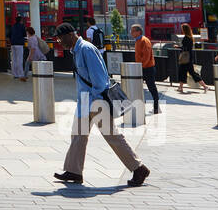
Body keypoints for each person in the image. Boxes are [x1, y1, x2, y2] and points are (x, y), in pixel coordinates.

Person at [53, 23, 150, 187]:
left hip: (95, 101)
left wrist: (95, 100)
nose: (59, 42)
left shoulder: (86, 49)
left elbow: (99, 78)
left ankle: (138, 168)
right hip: (85, 100)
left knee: (113, 136)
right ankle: (74, 171)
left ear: (70, 35)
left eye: (60, 38)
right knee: (77, 135)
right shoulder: (76, 51)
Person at [131, 24, 161, 113]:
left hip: (147, 68)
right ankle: (139, 106)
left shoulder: (144, 41)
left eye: (133, 31)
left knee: (151, 87)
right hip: (142, 67)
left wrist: (141, 67)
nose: (131, 33)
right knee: (139, 87)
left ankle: (156, 107)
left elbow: (146, 56)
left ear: (138, 32)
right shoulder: (138, 41)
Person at [174, 23, 208, 94]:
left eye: (182, 28)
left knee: (189, 72)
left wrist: (178, 47)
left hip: (186, 58)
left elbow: (186, 48)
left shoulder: (186, 38)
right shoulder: (190, 37)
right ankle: (181, 87)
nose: (181, 30)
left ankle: (205, 86)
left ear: (184, 30)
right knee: (186, 72)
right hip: (188, 57)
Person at [8, 16, 27, 81]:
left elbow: (9, 35)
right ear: (21, 20)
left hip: (13, 44)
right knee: (19, 59)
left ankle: (14, 74)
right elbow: (24, 34)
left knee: (14, 59)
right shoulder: (22, 26)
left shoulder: (13, 26)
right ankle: (20, 74)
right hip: (19, 44)